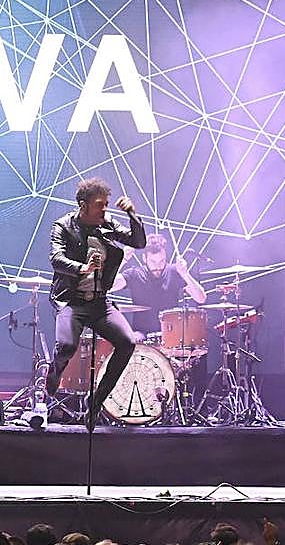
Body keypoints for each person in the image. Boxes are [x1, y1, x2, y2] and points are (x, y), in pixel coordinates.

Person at [45, 178, 146, 427]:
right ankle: (55, 371)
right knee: (66, 346)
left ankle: (96, 401)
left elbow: (138, 242)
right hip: (72, 302)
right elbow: (56, 259)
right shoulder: (63, 226)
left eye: (107, 204)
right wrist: (83, 268)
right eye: (100, 205)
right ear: (84, 205)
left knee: (127, 343)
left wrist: (132, 215)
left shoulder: (108, 223)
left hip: (100, 303)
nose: (105, 209)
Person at [113, 234, 206, 336]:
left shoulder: (174, 271)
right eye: (153, 261)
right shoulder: (135, 274)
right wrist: (123, 260)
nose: (158, 266)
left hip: (172, 335)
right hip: (141, 335)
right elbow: (109, 286)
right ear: (144, 258)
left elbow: (201, 298)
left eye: (162, 261)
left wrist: (185, 274)